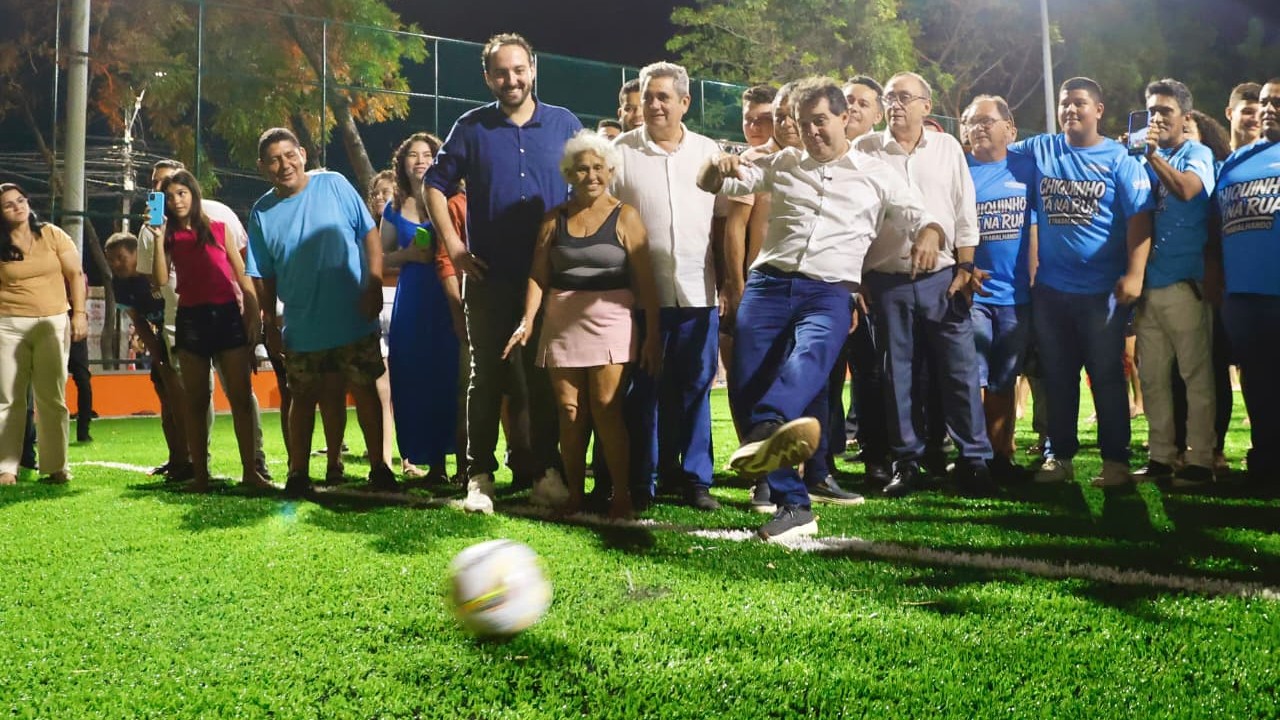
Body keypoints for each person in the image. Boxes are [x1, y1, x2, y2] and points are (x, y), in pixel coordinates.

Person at [699, 76, 943, 541]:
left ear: (844, 118)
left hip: (830, 291)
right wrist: (715, 166)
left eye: (820, 121)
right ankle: (794, 504)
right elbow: (716, 180)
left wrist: (931, 232)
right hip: (768, 285)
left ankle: (768, 427)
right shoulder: (781, 162)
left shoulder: (875, 172)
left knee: (806, 364)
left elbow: (920, 213)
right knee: (748, 383)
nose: (811, 132)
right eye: (801, 123)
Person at [424, 33, 583, 513]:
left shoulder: (565, 124)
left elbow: (592, 181)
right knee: (486, 376)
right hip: (489, 276)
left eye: (519, 70)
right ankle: (479, 476)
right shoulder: (470, 127)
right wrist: (454, 245)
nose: (511, 79)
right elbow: (434, 184)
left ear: (533, 69)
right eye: (501, 72)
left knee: (544, 378)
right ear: (488, 77)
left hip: (550, 277)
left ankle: (546, 471)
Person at [503, 130, 661, 519]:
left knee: (607, 409)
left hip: (612, 320)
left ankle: (621, 495)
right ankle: (576, 495)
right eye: (581, 169)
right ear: (569, 174)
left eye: (597, 168)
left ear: (610, 171)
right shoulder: (552, 221)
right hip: (560, 323)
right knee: (569, 412)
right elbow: (538, 276)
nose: (590, 175)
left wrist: (653, 335)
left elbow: (646, 284)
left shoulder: (626, 217)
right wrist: (527, 321)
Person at [1007, 77, 1155, 487]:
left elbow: (1141, 219)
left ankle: (1115, 462)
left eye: (1079, 103)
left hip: (1102, 292)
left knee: (1107, 377)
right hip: (1052, 291)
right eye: (1064, 104)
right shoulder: (1041, 149)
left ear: (1099, 110)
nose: (1071, 110)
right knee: (1057, 377)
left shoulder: (1122, 159)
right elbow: (995, 152)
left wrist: (1134, 274)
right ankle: (1060, 457)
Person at [856, 71, 995, 497]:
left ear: (925, 105)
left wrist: (966, 267)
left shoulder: (948, 147)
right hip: (886, 280)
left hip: (943, 278)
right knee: (896, 377)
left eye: (904, 97)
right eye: (889, 97)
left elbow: (963, 207)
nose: (895, 104)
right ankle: (907, 461)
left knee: (960, 371)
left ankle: (974, 458)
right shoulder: (865, 149)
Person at [247, 127, 397, 498]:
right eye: (274, 160)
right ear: (263, 167)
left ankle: (379, 466)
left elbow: (369, 235)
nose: (284, 164)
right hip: (302, 324)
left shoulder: (333, 184)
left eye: (289, 154)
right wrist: (269, 322)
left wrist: (374, 283)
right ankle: (299, 471)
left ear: (301, 153)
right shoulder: (262, 211)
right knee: (303, 398)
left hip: (353, 315)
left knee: (365, 393)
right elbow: (261, 273)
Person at [611, 61, 723, 511]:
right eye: (648, 95)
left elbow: (722, 221)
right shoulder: (619, 151)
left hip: (699, 291)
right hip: (642, 298)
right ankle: (645, 480)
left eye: (663, 96)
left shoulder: (707, 150)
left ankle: (696, 480)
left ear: (684, 103)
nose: (654, 104)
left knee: (696, 388)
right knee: (645, 390)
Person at [142, 160, 271, 481]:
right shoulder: (167, 236)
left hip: (227, 315)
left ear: (193, 194)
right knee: (196, 402)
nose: (176, 201)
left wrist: (254, 313)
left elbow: (242, 275)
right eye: (169, 196)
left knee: (240, 397)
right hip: (191, 319)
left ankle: (251, 471)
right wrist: (157, 238)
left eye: (182, 193)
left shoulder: (218, 228)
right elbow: (159, 280)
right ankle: (201, 475)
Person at [1131, 79, 1219, 487]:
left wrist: (1150, 157)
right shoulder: (1141, 158)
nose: (1156, 117)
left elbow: (1186, 191)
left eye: (1165, 110)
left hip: (1186, 285)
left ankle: (1200, 459)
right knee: (1152, 380)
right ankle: (1161, 456)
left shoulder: (1196, 153)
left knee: (1194, 377)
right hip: (1149, 287)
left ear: (1185, 117)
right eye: (1151, 111)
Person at [961, 95, 1037, 484]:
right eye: (971, 121)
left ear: (1010, 128)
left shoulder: (1028, 168)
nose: (978, 127)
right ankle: (974, 458)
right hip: (971, 295)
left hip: (1016, 296)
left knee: (1005, 381)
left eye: (987, 121)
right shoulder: (958, 169)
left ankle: (1001, 455)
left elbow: (1040, 227)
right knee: (972, 379)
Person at [380, 131, 461, 485]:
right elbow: (379, 258)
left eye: (428, 153)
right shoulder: (394, 208)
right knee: (414, 376)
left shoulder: (453, 199)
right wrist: (408, 255)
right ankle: (429, 463)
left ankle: (462, 462)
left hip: (449, 295)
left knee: (452, 376)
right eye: (412, 154)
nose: (420, 160)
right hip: (412, 299)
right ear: (402, 163)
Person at [1212, 77, 1280, 489]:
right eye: (1266, 102)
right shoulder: (1235, 162)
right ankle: (1265, 461)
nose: (1269, 108)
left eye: (1278, 102)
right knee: (1257, 386)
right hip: (1243, 297)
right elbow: (1214, 223)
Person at [0, 183, 88, 485]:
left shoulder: (51, 233)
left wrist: (79, 314)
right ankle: (6, 468)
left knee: (53, 397)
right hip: (8, 325)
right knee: (9, 398)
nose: (17, 207)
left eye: (20, 200)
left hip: (53, 322)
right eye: (9, 204)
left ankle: (56, 466)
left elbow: (75, 274)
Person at [838, 75, 892, 489]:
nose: (852, 108)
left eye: (862, 102)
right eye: (847, 100)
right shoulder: (817, 154)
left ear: (878, 113)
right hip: (828, 285)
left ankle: (879, 456)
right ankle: (820, 460)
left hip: (873, 285)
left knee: (873, 373)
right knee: (823, 375)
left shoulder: (883, 160)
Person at [104, 231, 191, 481]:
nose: (116, 264)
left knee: (180, 400)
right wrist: (157, 355)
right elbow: (138, 321)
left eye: (121, 257)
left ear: (137, 255)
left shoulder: (155, 272)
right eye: (111, 260)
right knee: (166, 398)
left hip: (183, 333)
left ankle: (189, 459)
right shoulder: (120, 283)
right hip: (161, 337)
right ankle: (176, 457)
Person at [1224, 82, 1261, 152]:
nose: (1256, 119)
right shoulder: (1214, 158)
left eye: (1261, 114)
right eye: (1248, 112)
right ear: (1229, 113)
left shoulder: (1273, 159)